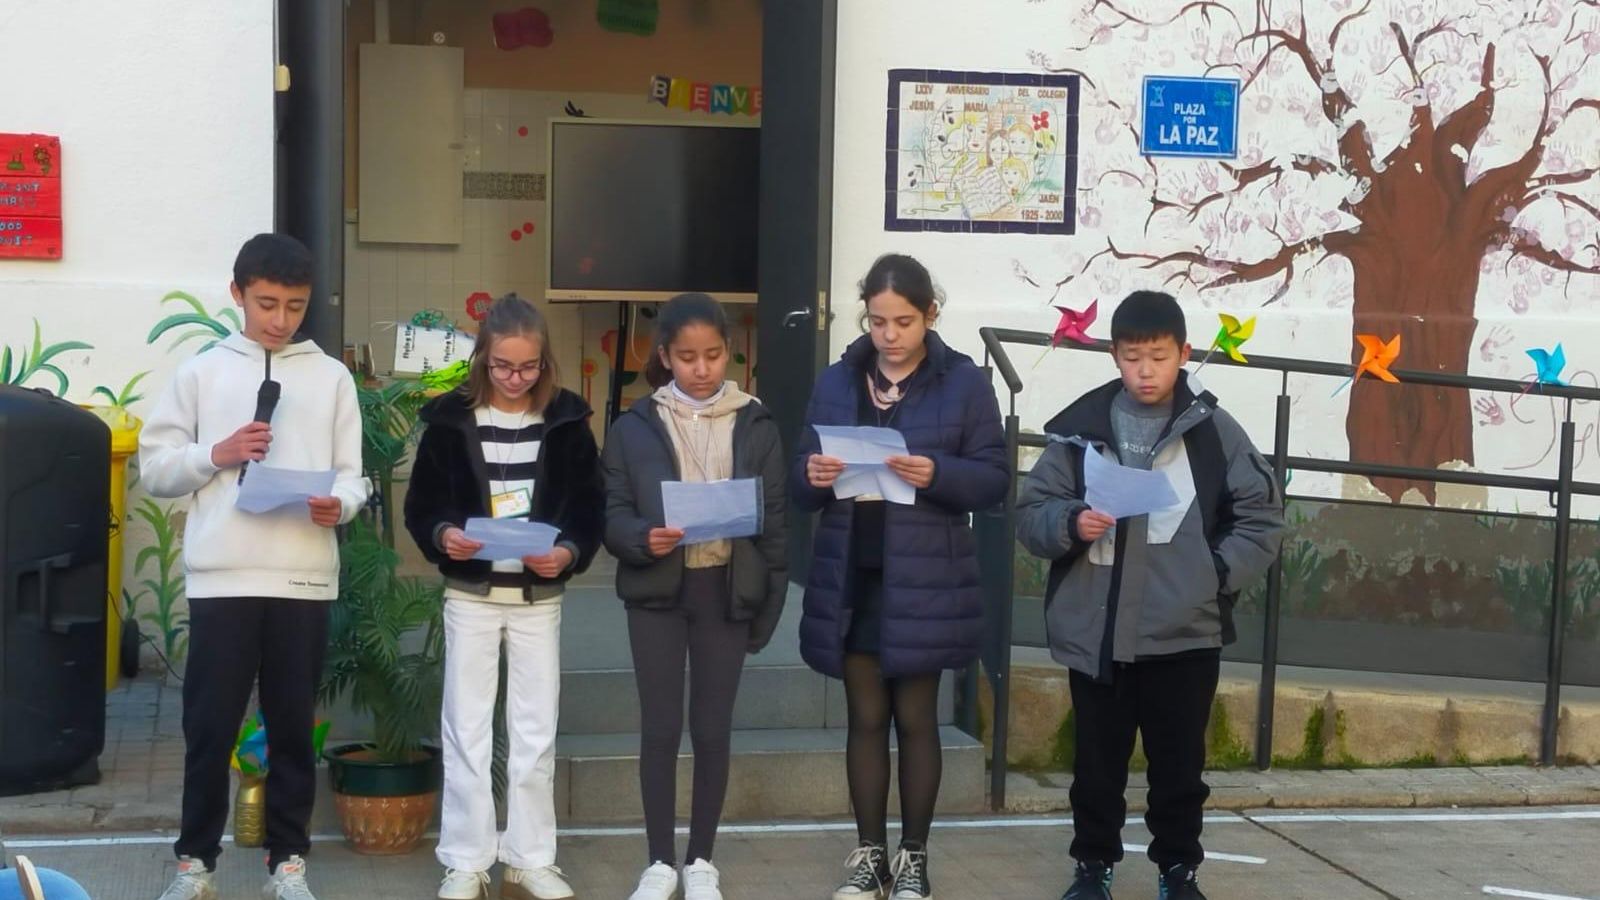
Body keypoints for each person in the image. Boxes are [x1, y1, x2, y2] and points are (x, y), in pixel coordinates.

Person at [1015, 290, 1285, 900]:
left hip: (1185, 634)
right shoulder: (1079, 430)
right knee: (1096, 769)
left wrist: (1212, 576)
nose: (1145, 371)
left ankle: (1178, 872)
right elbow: (1032, 511)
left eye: (1158, 357)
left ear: (1184, 354)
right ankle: (1092, 869)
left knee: (1179, 771)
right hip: (1098, 637)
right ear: (1113, 355)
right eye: (1132, 357)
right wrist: (1070, 523)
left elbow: (1262, 517)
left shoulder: (1214, 431)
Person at [140, 233, 370, 900]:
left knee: (293, 725)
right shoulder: (203, 371)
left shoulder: (330, 376)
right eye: (267, 303)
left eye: (294, 306)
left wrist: (340, 504)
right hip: (224, 577)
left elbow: (354, 477)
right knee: (209, 725)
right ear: (237, 294)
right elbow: (155, 468)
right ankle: (195, 865)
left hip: (301, 576)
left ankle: (287, 863)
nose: (280, 320)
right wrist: (218, 452)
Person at [793, 254, 1009, 900]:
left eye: (904, 322)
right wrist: (814, 476)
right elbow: (801, 481)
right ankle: (869, 856)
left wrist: (934, 472)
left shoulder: (963, 382)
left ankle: (914, 859)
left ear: (930, 315)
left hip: (925, 578)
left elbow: (994, 478)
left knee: (915, 717)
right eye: (879, 321)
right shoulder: (838, 380)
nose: (889, 334)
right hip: (853, 569)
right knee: (864, 717)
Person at [404, 295, 604, 900]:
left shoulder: (567, 419)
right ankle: (466, 859)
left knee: (535, 728)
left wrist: (567, 551)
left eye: (528, 368)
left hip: (538, 598)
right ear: (482, 361)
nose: (516, 380)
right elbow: (424, 505)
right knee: (466, 726)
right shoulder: (448, 420)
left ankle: (530, 856)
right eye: (503, 368)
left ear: (546, 363)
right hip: (471, 594)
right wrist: (444, 535)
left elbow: (589, 506)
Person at [602, 293, 789, 900]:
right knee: (659, 727)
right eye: (687, 357)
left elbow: (776, 523)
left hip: (725, 589)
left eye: (712, 355)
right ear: (665, 358)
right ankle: (659, 861)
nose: (701, 368)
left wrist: (767, 607)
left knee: (711, 727)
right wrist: (641, 537)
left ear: (729, 353)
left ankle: (701, 859)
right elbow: (612, 513)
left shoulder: (756, 421)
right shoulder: (634, 426)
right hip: (658, 590)